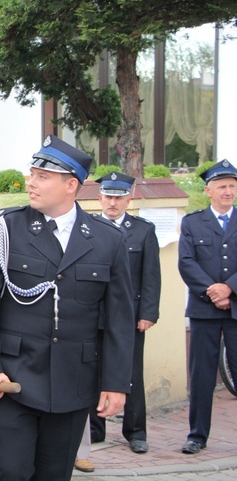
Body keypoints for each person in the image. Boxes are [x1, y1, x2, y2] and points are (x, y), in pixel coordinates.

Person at [0, 135, 135, 480]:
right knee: (9, 472)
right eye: (32, 174)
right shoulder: (7, 227)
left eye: (42, 176)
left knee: (54, 474)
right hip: (12, 379)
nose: (31, 182)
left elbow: (119, 318)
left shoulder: (108, 239)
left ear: (71, 184)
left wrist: (116, 383)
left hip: (73, 381)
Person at [90, 171, 161, 454]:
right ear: (99, 198)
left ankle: (135, 431)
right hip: (94, 314)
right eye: (108, 197)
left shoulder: (143, 231)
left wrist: (148, 313)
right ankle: (96, 430)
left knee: (131, 373)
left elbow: (151, 276)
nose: (113, 203)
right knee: (93, 373)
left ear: (128, 199)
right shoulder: (90, 228)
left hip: (130, 316)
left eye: (119, 197)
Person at [178, 159, 237, 455]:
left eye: (232, 186)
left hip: (236, 309)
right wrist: (213, 291)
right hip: (204, 311)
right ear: (208, 190)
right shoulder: (192, 222)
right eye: (222, 186)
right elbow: (186, 263)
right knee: (201, 376)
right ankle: (197, 435)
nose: (228, 192)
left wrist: (230, 288)